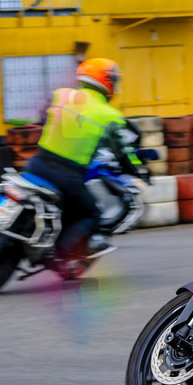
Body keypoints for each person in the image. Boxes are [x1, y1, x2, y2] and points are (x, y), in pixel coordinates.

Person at [27, 58, 147, 269]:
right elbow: (124, 153)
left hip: (37, 163)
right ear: (108, 81)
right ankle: (61, 258)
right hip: (67, 175)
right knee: (91, 213)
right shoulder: (110, 115)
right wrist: (139, 169)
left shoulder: (61, 94)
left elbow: (41, 118)